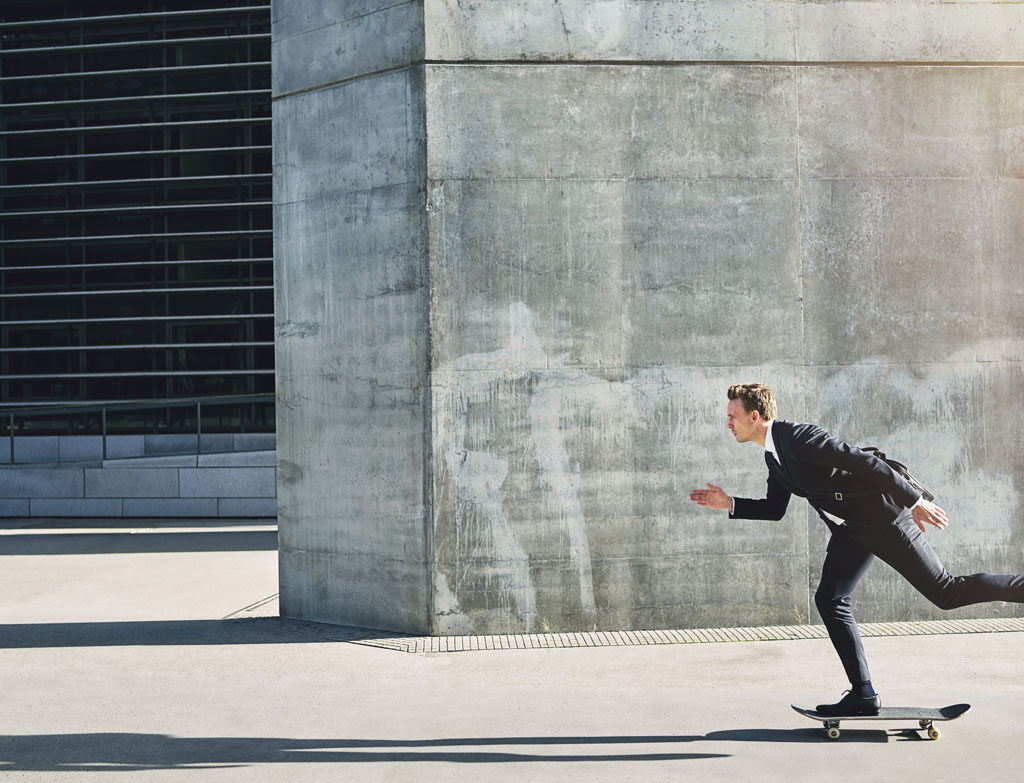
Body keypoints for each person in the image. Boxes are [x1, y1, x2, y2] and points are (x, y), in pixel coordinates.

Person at [689, 383, 1024, 716]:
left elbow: (864, 462)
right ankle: (863, 694)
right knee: (830, 598)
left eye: (733, 415)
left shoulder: (797, 436)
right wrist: (729, 503)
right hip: (852, 529)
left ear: (755, 415)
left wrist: (915, 501)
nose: (728, 423)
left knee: (946, 592)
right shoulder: (773, 457)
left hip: (882, 519)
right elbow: (775, 509)